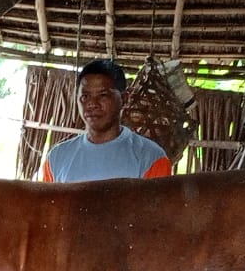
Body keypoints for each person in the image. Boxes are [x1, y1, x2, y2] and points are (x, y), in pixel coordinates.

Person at [42, 59, 172, 183]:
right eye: (85, 96)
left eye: (103, 95)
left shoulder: (151, 158)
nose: (92, 104)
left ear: (124, 98)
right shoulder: (56, 158)